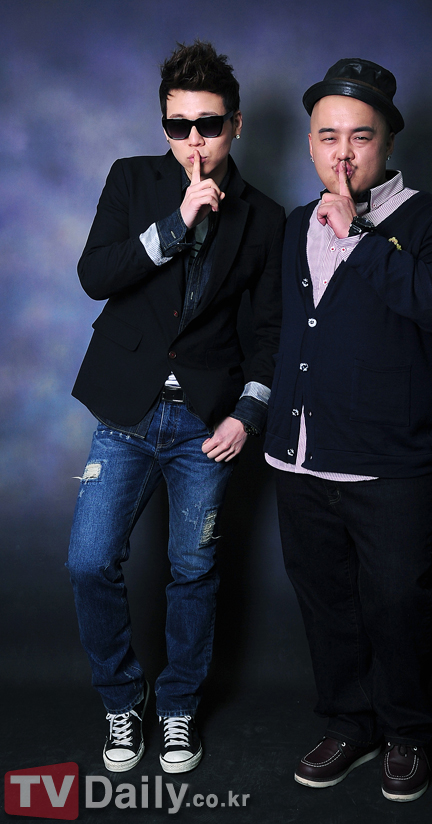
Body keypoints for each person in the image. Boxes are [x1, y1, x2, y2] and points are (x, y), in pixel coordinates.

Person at [67, 40, 284, 774]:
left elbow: (269, 334)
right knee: (89, 562)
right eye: (178, 125)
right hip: (125, 414)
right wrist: (174, 224)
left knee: (193, 571)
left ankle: (180, 707)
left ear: (236, 125)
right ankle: (122, 701)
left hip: (204, 424)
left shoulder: (265, 218)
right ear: (164, 126)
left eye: (209, 124)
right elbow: (95, 274)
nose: (194, 141)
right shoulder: (132, 180)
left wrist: (247, 414)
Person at [265, 58, 432, 802]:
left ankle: (406, 731)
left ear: (387, 142)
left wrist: (359, 235)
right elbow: (284, 331)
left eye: (360, 136)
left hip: (389, 466)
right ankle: (349, 723)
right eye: (328, 136)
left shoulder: (430, 220)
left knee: (398, 605)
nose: (343, 153)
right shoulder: (295, 225)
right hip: (300, 461)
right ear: (310, 145)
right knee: (328, 605)